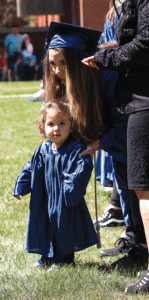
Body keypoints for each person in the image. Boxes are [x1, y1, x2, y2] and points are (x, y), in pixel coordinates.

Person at [44, 21, 147, 274]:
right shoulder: (66, 82)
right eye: (52, 63)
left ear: (80, 59)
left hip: (130, 130)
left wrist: (100, 142)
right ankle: (134, 235)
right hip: (116, 141)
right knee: (123, 183)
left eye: (63, 63)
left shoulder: (108, 75)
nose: (57, 70)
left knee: (136, 184)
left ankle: (141, 248)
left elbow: (125, 121)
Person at [82, 0, 149, 294]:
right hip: (136, 100)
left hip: (143, 102)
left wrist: (104, 59)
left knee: (144, 187)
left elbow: (144, 44)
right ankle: (138, 242)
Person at [14, 100, 98, 269]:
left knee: (62, 226)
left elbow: (82, 168)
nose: (56, 129)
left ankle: (64, 260)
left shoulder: (75, 150)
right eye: (50, 124)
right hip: (44, 199)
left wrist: (69, 190)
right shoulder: (43, 149)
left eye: (62, 123)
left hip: (64, 200)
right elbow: (31, 168)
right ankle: (46, 258)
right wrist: (21, 186)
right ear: (43, 127)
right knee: (44, 225)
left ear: (71, 126)